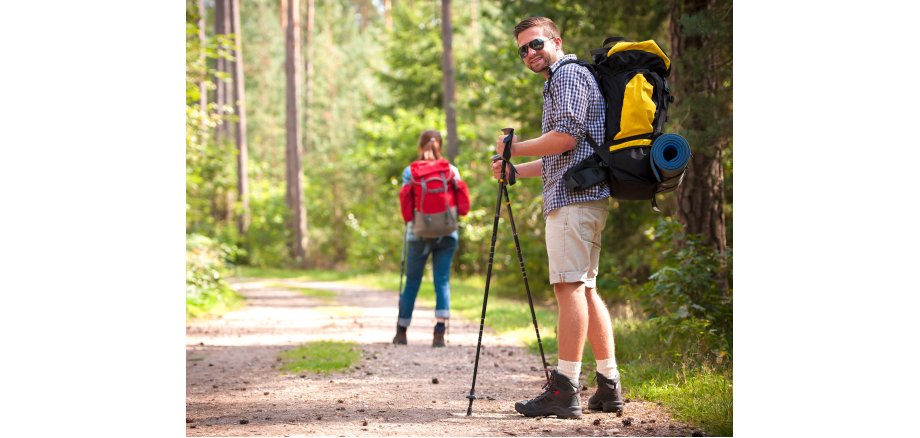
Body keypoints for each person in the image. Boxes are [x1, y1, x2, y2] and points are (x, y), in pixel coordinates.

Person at [491, 17, 623, 418]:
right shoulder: (565, 78)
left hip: (573, 201)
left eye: (535, 45)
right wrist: (516, 170)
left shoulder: (566, 76)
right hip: (584, 195)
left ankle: (565, 390)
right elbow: (564, 154)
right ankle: (608, 384)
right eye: (523, 50)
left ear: (556, 41)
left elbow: (565, 136)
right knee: (584, 289)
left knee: (569, 288)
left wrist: (514, 147)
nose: (530, 54)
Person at [394, 130, 464, 348]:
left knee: (412, 282)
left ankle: (402, 332)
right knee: (441, 281)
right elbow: (462, 206)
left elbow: (406, 207)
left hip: (418, 233)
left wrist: (410, 222)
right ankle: (439, 333)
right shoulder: (451, 170)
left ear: (420, 146)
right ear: (439, 146)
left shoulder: (410, 171)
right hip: (447, 232)